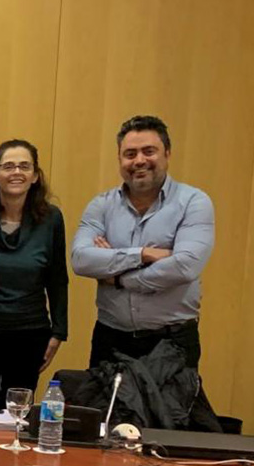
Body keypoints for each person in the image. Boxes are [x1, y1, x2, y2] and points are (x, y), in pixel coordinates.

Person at [71, 115, 213, 370]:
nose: (139, 161)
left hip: (172, 341)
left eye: (149, 151)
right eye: (130, 153)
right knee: (105, 410)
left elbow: (185, 266)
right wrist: (143, 254)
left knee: (169, 411)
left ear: (167, 154)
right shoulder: (101, 205)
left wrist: (117, 277)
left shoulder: (194, 202)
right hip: (111, 338)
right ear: (120, 159)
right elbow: (81, 260)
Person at [0, 139, 69, 407]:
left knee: (17, 415)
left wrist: (59, 332)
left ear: (35, 175)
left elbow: (58, 278)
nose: (16, 172)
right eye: (8, 166)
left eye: (25, 166)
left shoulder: (51, 218)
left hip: (30, 332)